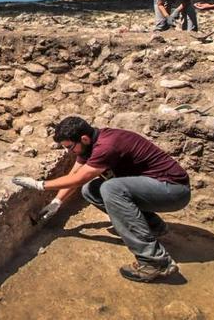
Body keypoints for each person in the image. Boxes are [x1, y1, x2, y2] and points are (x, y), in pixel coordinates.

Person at [11, 116, 190, 283]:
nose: (68, 151)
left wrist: (39, 185)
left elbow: (79, 178)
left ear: (84, 139)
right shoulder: (90, 145)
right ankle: (153, 227)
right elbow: (75, 175)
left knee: (111, 188)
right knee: (91, 190)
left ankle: (155, 262)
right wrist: (56, 202)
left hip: (172, 191)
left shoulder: (106, 145)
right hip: (155, 187)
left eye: (70, 147)